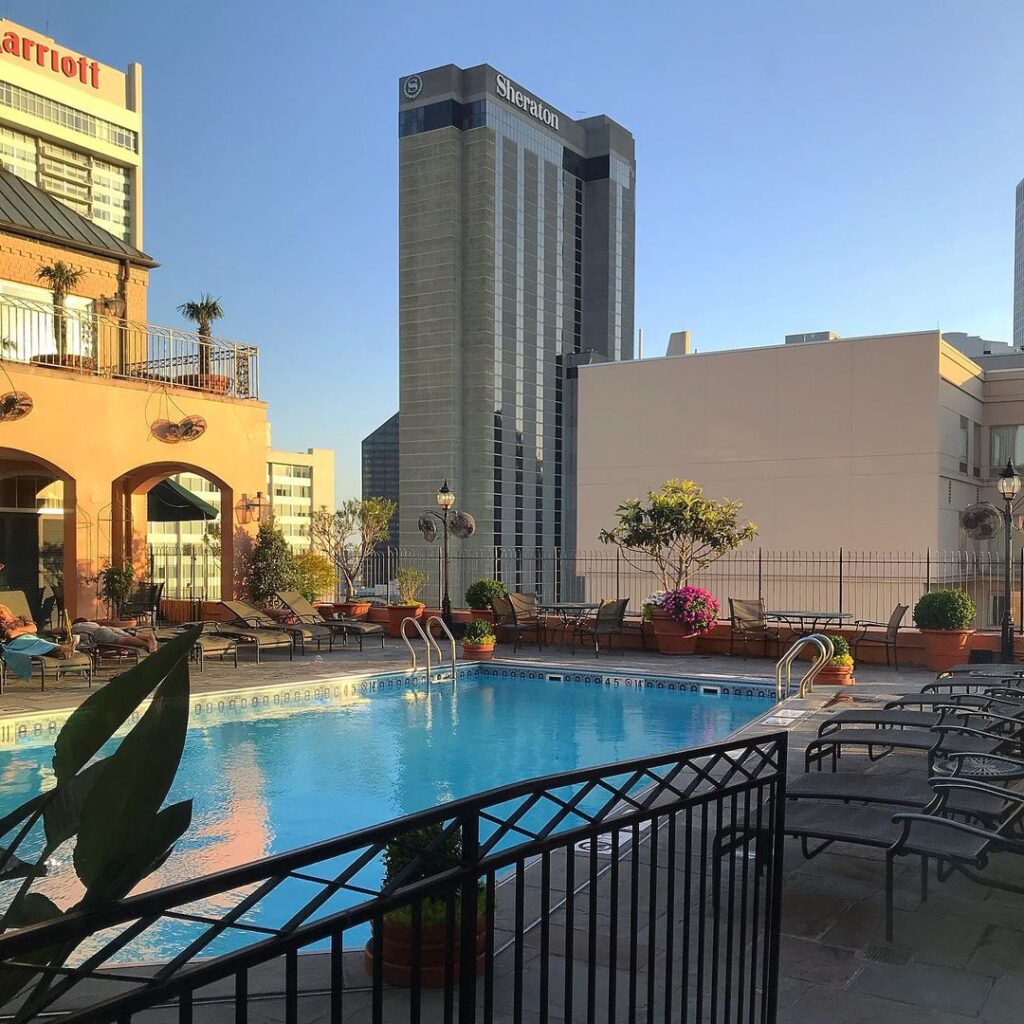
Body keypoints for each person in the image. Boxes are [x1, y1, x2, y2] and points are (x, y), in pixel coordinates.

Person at [71, 618, 157, 653]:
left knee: (123, 640)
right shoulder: (91, 623)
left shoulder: (75, 627)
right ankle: (146, 637)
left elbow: (61, 630)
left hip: (100, 633)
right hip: (105, 628)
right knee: (127, 635)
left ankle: (146, 644)